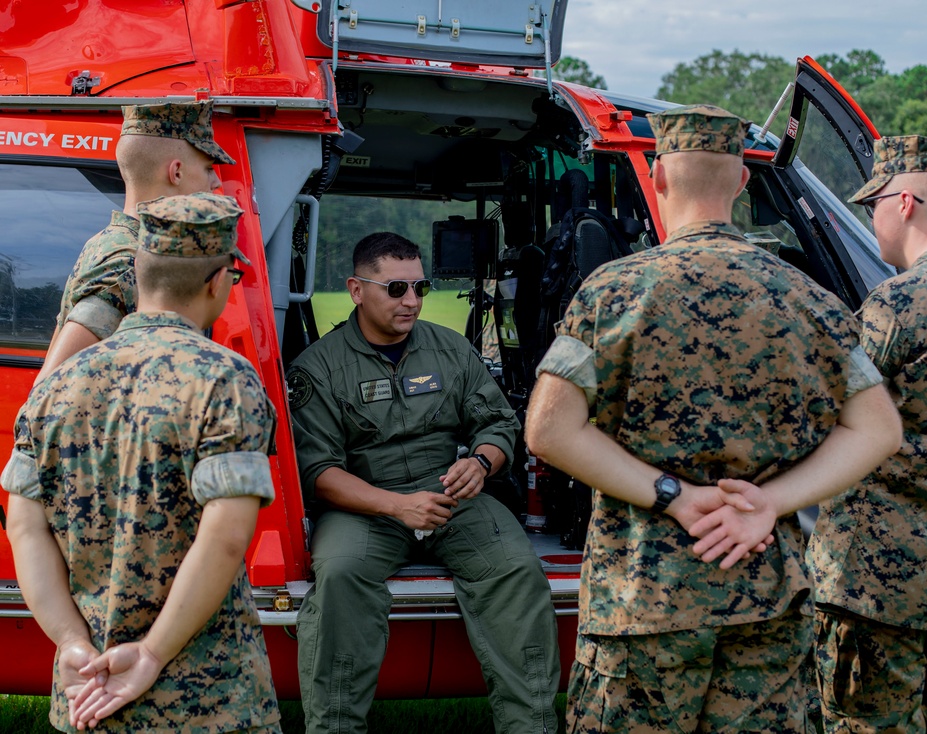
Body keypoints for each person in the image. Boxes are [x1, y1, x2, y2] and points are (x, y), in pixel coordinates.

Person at [524, 105, 902, 733]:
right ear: (743, 184)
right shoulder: (810, 298)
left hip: (642, 600)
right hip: (767, 594)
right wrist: (768, 503)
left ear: (659, 178)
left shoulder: (614, 290)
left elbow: (550, 430)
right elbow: (878, 429)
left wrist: (673, 496)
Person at [2, 192, 281, 733]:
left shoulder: (55, 383)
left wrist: (71, 642)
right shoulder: (226, 379)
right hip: (212, 698)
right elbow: (224, 539)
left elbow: (24, 528)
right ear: (218, 281)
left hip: (89, 695)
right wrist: (151, 654)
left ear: (139, 273)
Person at [287, 231, 560, 734]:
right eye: (396, 289)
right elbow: (317, 472)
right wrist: (396, 506)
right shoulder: (320, 368)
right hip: (363, 503)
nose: (411, 301)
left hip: (453, 495)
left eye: (420, 288)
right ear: (356, 289)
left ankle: (533, 726)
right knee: (342, 576)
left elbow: (498, 425)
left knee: (516, 570)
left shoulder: (450, 349)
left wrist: (481, 462)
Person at [808, 135, 927, 733]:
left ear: (906, 202)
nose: (872, 219)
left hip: (874, 582)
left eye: (873, 205)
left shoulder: (898, 305)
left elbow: (824, 420)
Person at [35, 100, 234, 383]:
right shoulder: (129, 262)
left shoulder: (109, 241)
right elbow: (50, 387)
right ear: (176, 172)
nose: (215, 182)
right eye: (207, 168)